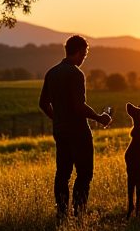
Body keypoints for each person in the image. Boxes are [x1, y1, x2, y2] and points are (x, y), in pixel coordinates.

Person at [39, 35, 112, 218]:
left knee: (63, 173)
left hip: (60, 131)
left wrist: (56, 119)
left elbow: (43, 103)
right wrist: (99, 117)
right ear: (79, 52)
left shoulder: (52, 73)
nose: (84, 57)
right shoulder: (76, 74)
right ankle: (79, 214)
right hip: (78, 132)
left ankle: (62, 214)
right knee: (84, 173)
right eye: (84, 53)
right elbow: (79, 107)